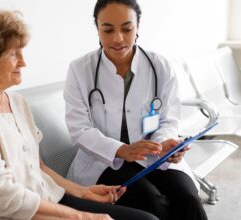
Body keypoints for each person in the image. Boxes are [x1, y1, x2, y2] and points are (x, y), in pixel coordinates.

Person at [0, 7, 159, 220]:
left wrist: (83, 192)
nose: (23, 62)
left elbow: (34, 165)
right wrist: (82, 217)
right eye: (12, 55)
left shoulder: (16, 101)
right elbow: (1, 197)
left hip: (42, 202)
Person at [63, 0, 208, 220]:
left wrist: (164, 144)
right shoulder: (80, 69)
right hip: (104, 159)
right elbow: (79, 129)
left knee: (188, 197)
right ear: (97, 28)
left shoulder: (161, 67)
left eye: (127, 28)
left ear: (138, 26)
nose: (117, 38)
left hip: (153, 156)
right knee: (151, 201)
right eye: (108, 29)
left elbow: (168, 120)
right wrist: (122, 149)